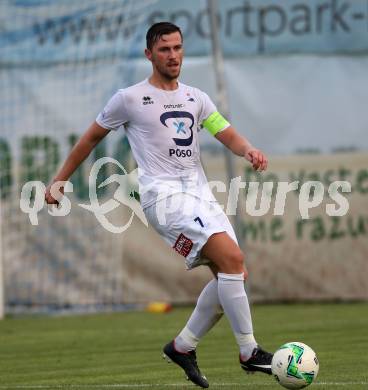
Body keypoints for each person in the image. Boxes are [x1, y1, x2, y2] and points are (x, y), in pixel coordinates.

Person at [45, 22, 272, 388]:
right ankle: (249, 351)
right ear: (149, 54)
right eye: (165, 49)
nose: (173, 55)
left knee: (233, 275)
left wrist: (248, 149)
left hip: (199, 195)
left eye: (178, 48)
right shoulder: (129, 99)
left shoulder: (196, 97)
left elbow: (223, 130)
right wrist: (59, 180)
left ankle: (183, 346)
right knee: (233, 260)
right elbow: (90, 138)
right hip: (163, 198)